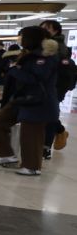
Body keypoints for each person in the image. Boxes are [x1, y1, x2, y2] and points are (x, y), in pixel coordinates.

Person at [0, 27, 60, 176]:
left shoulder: (46, 57)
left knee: (31, 134)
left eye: (22, 37)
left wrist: (14, 70)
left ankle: (32, 166)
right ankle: (7, 156)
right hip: (21, 99)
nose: (20, 40)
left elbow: (35, 79)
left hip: (39, 101)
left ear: (32, 38)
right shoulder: (27, 54)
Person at [40, 20, 75, 157]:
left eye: (47, 29)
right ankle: (59, 131)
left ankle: (46, 147)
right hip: (44, 87)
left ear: (55, 31)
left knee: (49, 116)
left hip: (54, 87)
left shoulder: (58, 47)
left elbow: (59, 70)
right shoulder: (43, 45)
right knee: (46, 115)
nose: (43, 31)